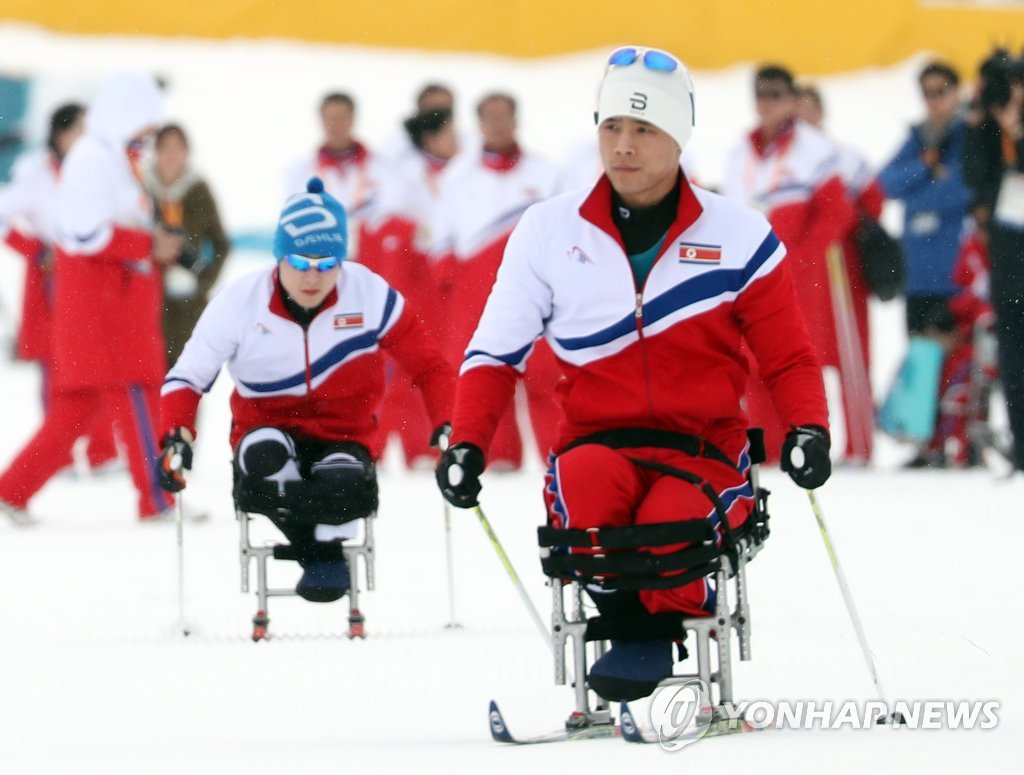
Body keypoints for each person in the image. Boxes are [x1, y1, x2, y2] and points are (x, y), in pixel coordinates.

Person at [435, 46, 830, 702]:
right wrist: (469, 440)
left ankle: (658, 615)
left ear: (678, 137)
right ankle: (624, 619)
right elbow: (494, 353)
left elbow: (789, 356)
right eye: (612, 126)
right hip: (597, 442)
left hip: (703, 452)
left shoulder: (739, 236)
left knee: (668, 527)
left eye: (643, 129)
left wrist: (809, 429)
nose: (622, 145)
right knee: (588, 499)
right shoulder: (547, 231)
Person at [157, 178, 454, 601]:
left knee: (343, 478)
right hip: (266, 427)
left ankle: (322, 546)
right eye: (299, 261)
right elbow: (187, 377)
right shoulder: (240, 302)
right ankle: (322, 552)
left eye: (327, 261)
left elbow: (430, 367)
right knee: (265, 459)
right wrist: (177, 436)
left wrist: (449, 425)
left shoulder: (368, 293)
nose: (313, 275)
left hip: (345, 431)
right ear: (279, 256)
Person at [0, 70, 176, 526]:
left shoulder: (114, 158)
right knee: (138, 395)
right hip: (105, 310)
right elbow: (85, 233)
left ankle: (11, 490)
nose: (151, 136)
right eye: (148, 125)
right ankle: (156, 499)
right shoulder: (95, 159)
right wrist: (147, 245)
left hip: (107, 305)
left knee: (75, 414)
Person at [721, 64, 853, 462]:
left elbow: (837, 213)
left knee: (796, 359)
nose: (766, 103)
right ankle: (768, 452)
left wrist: (802, 256)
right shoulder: (737, 151)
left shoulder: (815, 148)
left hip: (799, 271)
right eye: (760, 93)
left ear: (794, 100)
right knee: (752, 360)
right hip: (748, 270)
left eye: (776, 94)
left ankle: (812, 444)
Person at [430, 92, 561, 469]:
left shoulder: (545, 172)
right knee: (487, 372)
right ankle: (496, 459)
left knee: (547, 376)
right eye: (491, 118)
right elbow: (439, 240)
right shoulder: (458, 176)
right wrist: (453, 280)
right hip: (476, 291)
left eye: (505, 117)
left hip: (537, 288)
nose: (499, 125)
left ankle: (558, 457)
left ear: (517, 120)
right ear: (479, 124)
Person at [0, 103, 121, 475]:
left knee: (102, 362)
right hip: (51, 278)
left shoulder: (103, 167)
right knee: (55, 365)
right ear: (59, 134)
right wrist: (36, 250)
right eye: (77, 131)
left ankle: (102, 450)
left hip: (93, 274)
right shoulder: (34, 172)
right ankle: (60, 454)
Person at [795, 83, 882, 464]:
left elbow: (874, 202)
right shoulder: (786, 161)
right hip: (806, 273)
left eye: (808, 109)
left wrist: (842, 226)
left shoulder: (843, 158)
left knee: (851, 355)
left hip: (841, 271)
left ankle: (860, 444)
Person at [373, 107, 459, 468]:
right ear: (430, 138)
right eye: (450, 133)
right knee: (404, 366)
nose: (458, 140)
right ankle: (387, 447)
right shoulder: (407, 176)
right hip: (413, 273)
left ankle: (430, 443)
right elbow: (390, 224)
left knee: (440, 364)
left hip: (443, 280)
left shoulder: (461, 170)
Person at [878, 62, 972, 336]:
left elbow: (963, 190)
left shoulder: (970, 136)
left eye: (941, 91)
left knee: (958, 372)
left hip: (956, 276)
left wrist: (915, 193)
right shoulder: (919, 139)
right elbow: (883, 184)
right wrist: (924, 166)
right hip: (917, 275)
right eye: (927, 93)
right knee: (920, 373)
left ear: (957, 92)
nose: (934, 100)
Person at [963, 50, 1024, 471]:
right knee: (1014, 341)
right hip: (1009, 240)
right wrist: (988, 125)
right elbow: (973, 175)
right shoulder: (983, 126)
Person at [144, 123, 231, 365]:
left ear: (187, 152)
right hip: (148, 297)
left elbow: (221, 243)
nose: (171, 155)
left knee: (187, 376)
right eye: (165, 148)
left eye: (177, 148)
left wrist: (205, 279)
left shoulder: (198, 189)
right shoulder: (142, 189)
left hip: (188, 303)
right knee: (148, 372)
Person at [284, 92, 387, 266]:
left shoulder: (382, 167)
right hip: (321, 264)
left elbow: (391, 215)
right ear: (320, 121)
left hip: (372, 261)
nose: (336, 125)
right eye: (330, 118)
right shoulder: (300, 171)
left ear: (353, 119)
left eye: (342, 118)